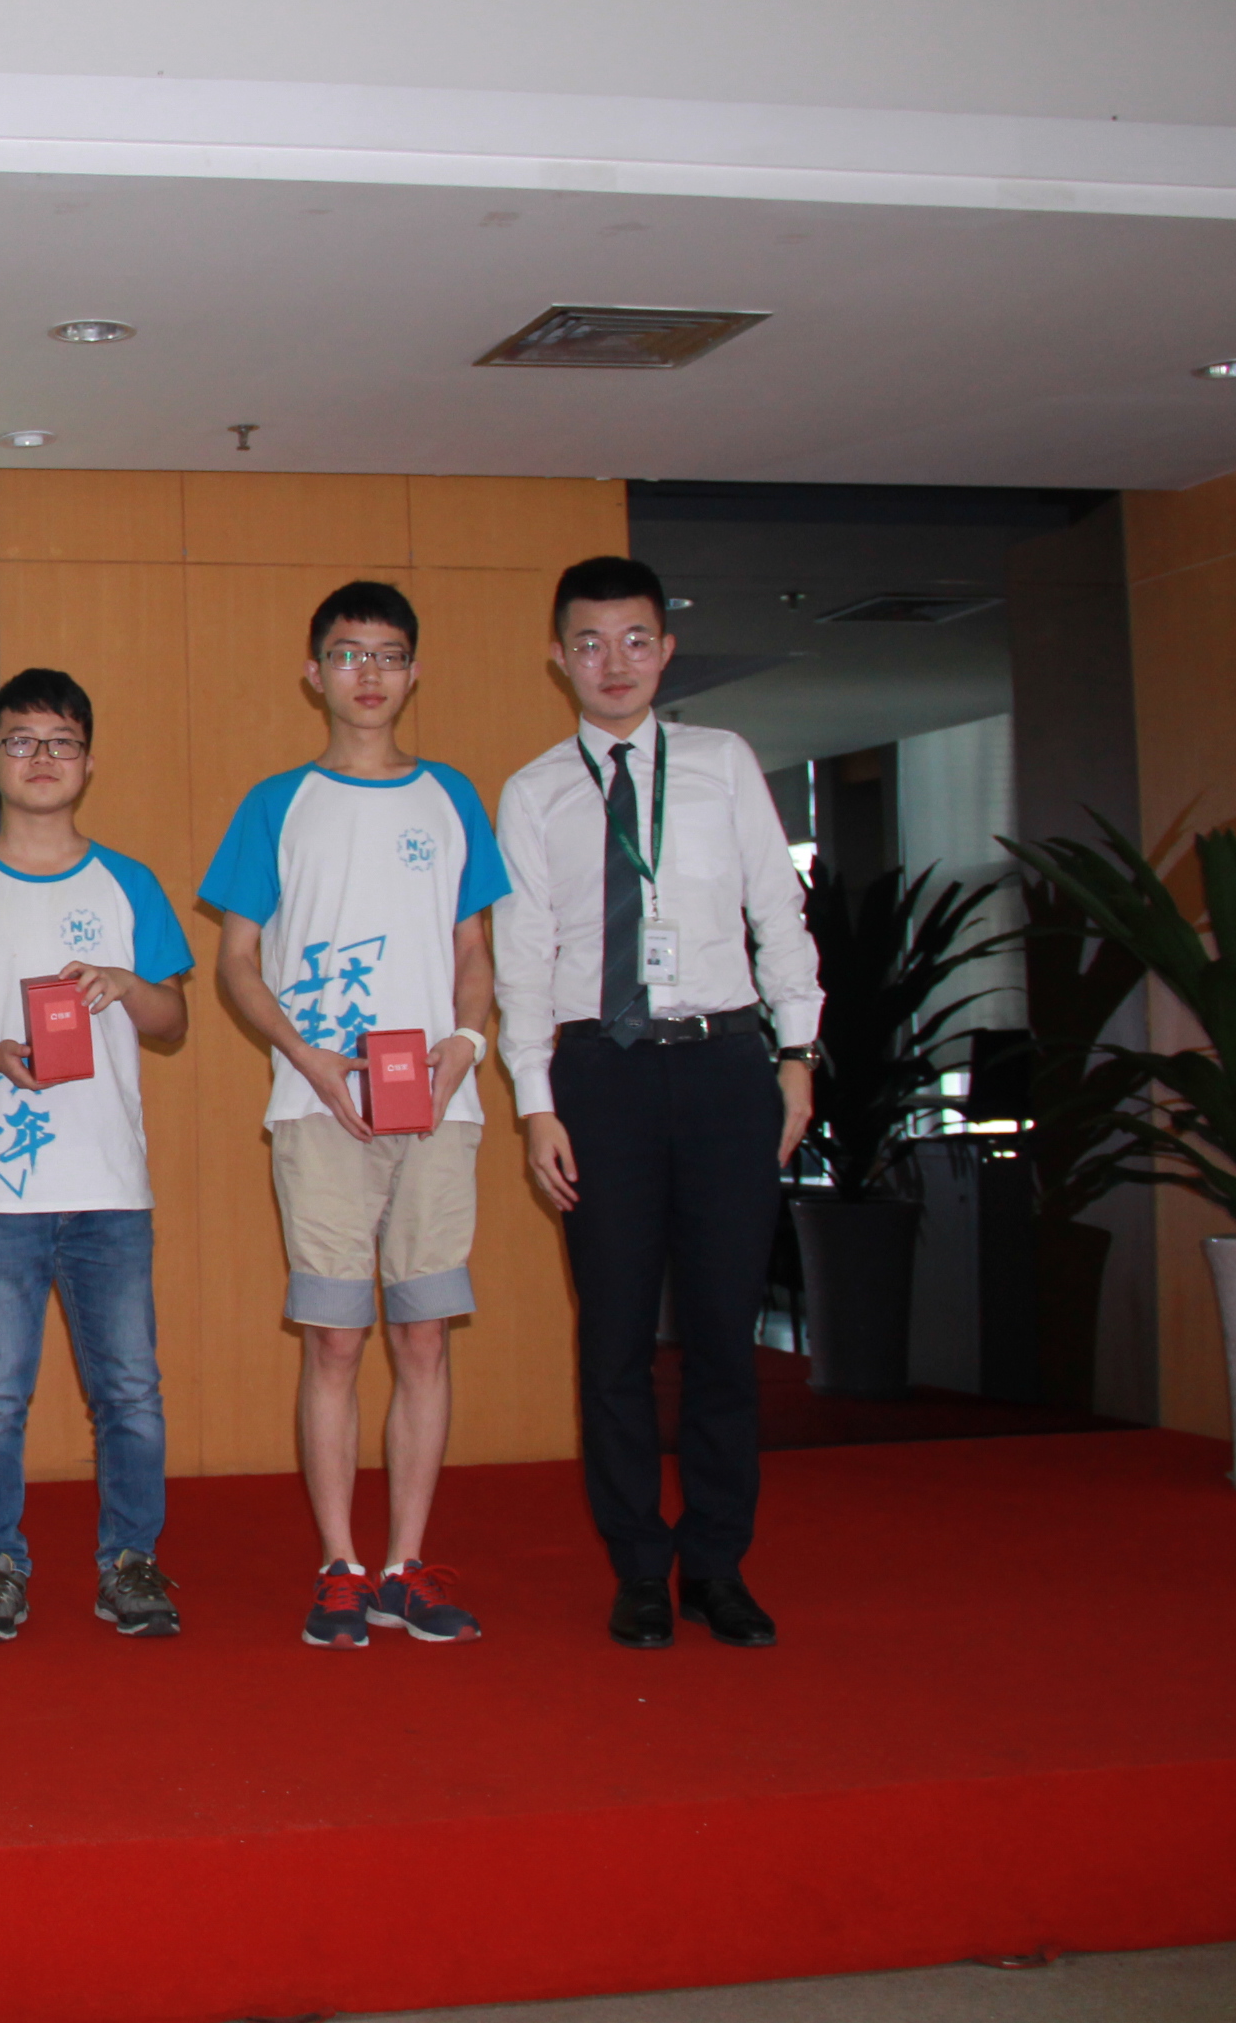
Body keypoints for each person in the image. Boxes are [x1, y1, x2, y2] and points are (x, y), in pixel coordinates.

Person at [496, 555, 821, 1650]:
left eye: (636, 640)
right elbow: (524, 957)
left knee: (726, 1336)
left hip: (726, 1067)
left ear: (666, 649)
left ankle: (717, 1562)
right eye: (590, 643)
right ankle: (639, 1564)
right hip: (600, 1078)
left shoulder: (722, 763)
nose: (615, 663)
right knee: (615, 1341)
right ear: (559, 658)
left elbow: (779, 913)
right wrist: (536, 1102)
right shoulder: (535, 791)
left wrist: (798, 1053)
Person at [203, 582, 508, 1650]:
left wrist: (466, 1043)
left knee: (422, 1336)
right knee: (334, 1341)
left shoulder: (452, 797)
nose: (367, 673)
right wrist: (307, 1057)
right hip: (317, 1106)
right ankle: (338, 1565)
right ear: (314, 673)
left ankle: (404, 1566)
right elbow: (236, 963)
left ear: (414, 673)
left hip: (439, 1113)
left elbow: (474, 953)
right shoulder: (275, 804)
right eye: (346, 653)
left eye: (386, 655)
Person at [0, 668, 192, 1643]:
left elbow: (174, 1020)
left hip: (110, 1187)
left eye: (61, 742)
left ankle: (131, 1562)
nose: (42, 759)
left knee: (130, 1392)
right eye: (21, 742)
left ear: (88, 763)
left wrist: (125, 984)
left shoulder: (127, 882)